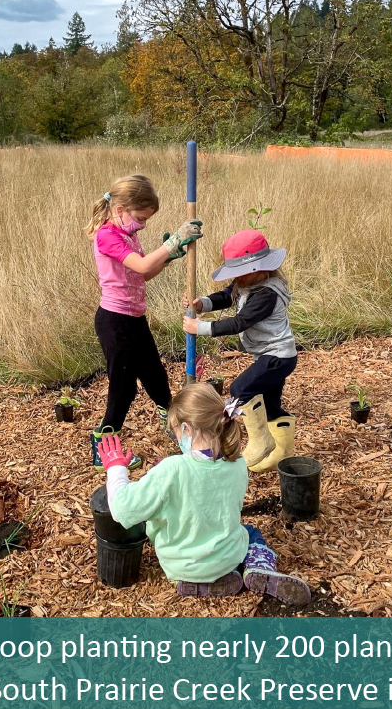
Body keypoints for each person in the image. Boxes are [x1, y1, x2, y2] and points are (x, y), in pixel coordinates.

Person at [97, 383, 311, 603]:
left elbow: (122, 510)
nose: (178, 438)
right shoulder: (237, 463)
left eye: (177, 431)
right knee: (250, 532)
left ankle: (193, 583)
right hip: (227, 558)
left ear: (187, 429)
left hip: (180, 564)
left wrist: (115, 468)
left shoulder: (172, 469)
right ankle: (259, 567)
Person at [85, 174, 202, 470]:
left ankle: (175, 428)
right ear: (120, 209)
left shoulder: (128, 234)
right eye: (140, 218)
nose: (143, 225)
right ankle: (103, 445)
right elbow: (141, 264)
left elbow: (143, 273)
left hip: (135, 319)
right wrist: (172, 242)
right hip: (115, 322)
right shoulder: (107, 235)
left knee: (155, 377)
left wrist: (170, 256)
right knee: (123, 389)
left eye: (147, 220)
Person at [183, 229, 297, 472]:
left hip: (277, 357)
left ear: (259, 269)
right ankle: (282, 453)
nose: (238, 279)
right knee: (271, 404)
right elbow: (227, 296)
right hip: (270, 355)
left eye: (240, 274)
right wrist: (203, 303)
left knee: (240, 389)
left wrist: (199, 327)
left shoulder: (267, 294)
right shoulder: (248, 283)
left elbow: (239, 323)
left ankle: (261, 441)